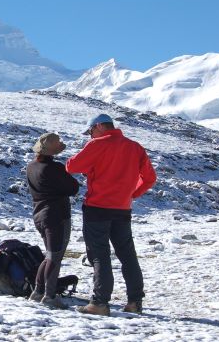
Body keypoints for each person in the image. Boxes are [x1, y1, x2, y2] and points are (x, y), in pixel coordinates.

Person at [66, 113, 156, 316]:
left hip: (97, 208)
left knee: (100, 256)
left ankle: (99, 303)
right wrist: (132, 194)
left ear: (98, 126)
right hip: (122, 209)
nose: (90, 136)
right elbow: (150, 178)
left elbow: (72, 166)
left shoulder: (97, 144)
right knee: (128, 256)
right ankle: (135, 302)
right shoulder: (135, 147)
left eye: (90, 132)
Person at [26, 132, 79, 309]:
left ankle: (37, 291)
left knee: (48, 255)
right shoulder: (54, 168)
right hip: (57, 215)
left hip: (39, 214)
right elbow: (73, 188)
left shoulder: (31, 167)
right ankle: (49, 296)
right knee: (55, 256)